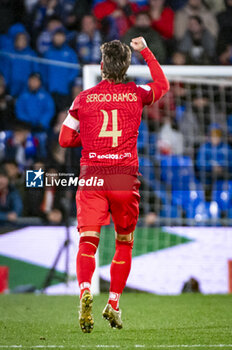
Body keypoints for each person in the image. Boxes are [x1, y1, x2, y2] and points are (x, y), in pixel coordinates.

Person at [59, 36, 169, 332]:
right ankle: (114, 302)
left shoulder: (83, 98)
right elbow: (162, 86)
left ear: (101, 66)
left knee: (88, 241)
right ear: (126, 66)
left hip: (92, 175)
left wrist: (91, 139)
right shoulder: (136, 94)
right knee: (124, 242)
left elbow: (64, 139)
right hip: (123, 176)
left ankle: (84, 290)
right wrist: (146, 50)